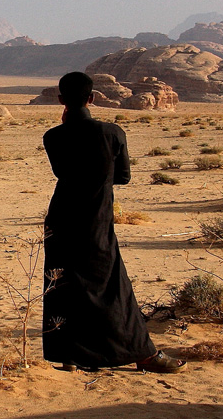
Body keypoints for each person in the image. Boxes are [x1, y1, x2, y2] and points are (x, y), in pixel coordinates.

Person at [41, 71, 185, 374]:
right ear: (92, 98)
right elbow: (123, 176)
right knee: (112, 286)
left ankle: (68, 355)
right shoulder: (112, 133)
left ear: (60, 100)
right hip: (96, 218)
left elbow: (62, 174)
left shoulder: (53, 136)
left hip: (61, 218)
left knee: (63, 283)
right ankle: (143, 354)